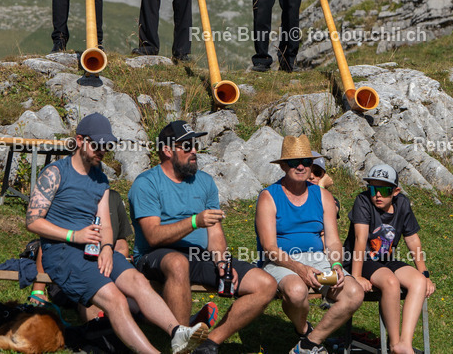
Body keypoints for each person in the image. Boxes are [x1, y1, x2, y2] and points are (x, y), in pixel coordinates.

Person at [25, 113, 208, 354]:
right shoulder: (55, 173)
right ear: (80, 140)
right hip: (62, 253)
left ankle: (177, 332)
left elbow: (107, 225)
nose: (103, 149)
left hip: (94, 249)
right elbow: (33, 221)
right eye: (98, 144)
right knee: (116, 300)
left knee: (138, 281)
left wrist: (108, 248)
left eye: (107, 145)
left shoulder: (100, 179)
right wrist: (73, 236)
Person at [129, 120, 277, 354]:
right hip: (155, 256)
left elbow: (215, 232)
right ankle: (182, 343)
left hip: (199, 256)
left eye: (195, 144)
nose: (194, 151)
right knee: (178, 263)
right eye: (186, 146)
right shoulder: (146, 184)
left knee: (265, 284)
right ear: (168, 150)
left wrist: (221, 262)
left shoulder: (205, 182)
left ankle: (209, 343)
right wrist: (194, 221)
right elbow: (153, 236)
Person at [255, 135, 363, 354]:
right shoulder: (269, 197)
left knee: (354, 292)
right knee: (296, 291)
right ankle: (304, 330)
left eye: (306, 161)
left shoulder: (323, 196)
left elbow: (332, 240)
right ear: (284, 166)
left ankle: (308, 344)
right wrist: (299, 268)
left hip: (318, 261)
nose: (301, 166)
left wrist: (337, 266)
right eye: (295, 162)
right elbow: (269, 247)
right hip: (282, 262)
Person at [345, 165, 434, 354]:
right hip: (359, 259)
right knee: (390, 281)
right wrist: (356, 276)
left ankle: (405, 343)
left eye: (384, 190)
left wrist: (424, 273)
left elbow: (412, 239)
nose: (377, 194)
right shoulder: (362, 201)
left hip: (384, 258)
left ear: (396, 191)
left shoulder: (403, 204)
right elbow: (360, 239)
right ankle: (394, 344)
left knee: (418, 282)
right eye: (372, 189)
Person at [29, 188, 137, 324]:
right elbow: (46, 246)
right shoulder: (67, 196)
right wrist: (38, 291)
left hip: (104, 267)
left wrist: (111, 263)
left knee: (135, 297)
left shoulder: (113, 197)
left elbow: (121, 243)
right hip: (71, 268)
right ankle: (100, 330)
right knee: (92, 294)